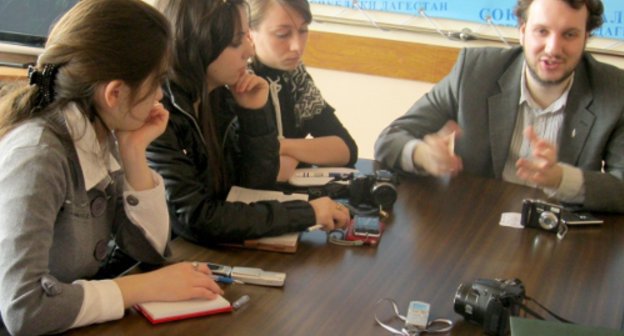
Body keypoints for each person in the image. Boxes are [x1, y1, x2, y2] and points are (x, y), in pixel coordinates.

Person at [0, 1, 224, 335]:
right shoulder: (38, 156)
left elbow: (149, 251)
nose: (161, 96)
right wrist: (142, 289)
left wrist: (134, 153)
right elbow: (25, 308)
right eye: (158, 81)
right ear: (115, 93)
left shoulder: (99, 133)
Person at [375, 0, 624, 213]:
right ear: (523, 32)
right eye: (542, 31)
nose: (553, 48)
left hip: (562, 234)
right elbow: (388, 141)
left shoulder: (614, 90)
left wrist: (561, 178)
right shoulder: (474, 72)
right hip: (478, 226)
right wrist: (423, 155)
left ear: (586, 38)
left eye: (569, 34)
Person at [147, 0, 349, 247]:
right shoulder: (158, 113)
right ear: (198, 44)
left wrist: (254, 113)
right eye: (236, 42)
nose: (249, 51)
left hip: (209, 250)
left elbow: (253, 187)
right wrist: (306, 213)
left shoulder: (221, 95)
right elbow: (198, 217)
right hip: (173, 255)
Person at [248, 0, 358, 181]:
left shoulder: (295, 76)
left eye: (303, 30)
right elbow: (259, 171)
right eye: (282, 34)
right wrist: (303, 152)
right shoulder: (238, 80)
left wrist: (282, 147)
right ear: (249, 33)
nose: (297, 47)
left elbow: (345, 148)